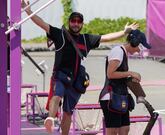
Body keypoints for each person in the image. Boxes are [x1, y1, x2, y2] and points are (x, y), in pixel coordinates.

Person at [21, 0, 139, 134]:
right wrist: (28, 10)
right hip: (60, 76)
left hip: (76, 81)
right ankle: (50, 118)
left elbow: (106, 37)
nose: (76, 24)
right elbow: (41, 23)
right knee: (57, 95)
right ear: (69, 22)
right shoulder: (60, 34)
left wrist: (124, 32)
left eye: (78, 22)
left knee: (68, 112)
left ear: (82, 24)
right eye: (73, 21)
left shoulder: (86, 39)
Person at [99, 29, 151, 135]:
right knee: (112, 131)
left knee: (125, 129)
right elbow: (110, 74)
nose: (139, 50)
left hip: (120, 96)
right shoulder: (118, 51)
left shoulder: (122, 52)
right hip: (111, 97)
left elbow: (119, 75)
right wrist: (130, 73)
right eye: (139, 46)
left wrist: (132, 80)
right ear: (134, 42)